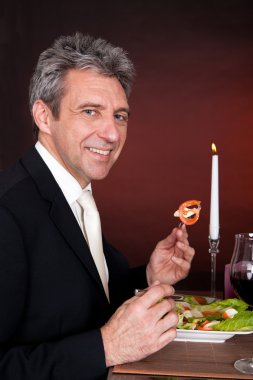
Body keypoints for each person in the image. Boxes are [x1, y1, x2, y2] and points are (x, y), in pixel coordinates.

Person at [0, 32, 195, 380]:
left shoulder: (72, 192)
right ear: (44, 117)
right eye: (91, 111)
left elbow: (81, 297)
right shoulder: (7, 213)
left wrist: (148, 277)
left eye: (120, 116)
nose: (112, 133)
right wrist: (106, 347)